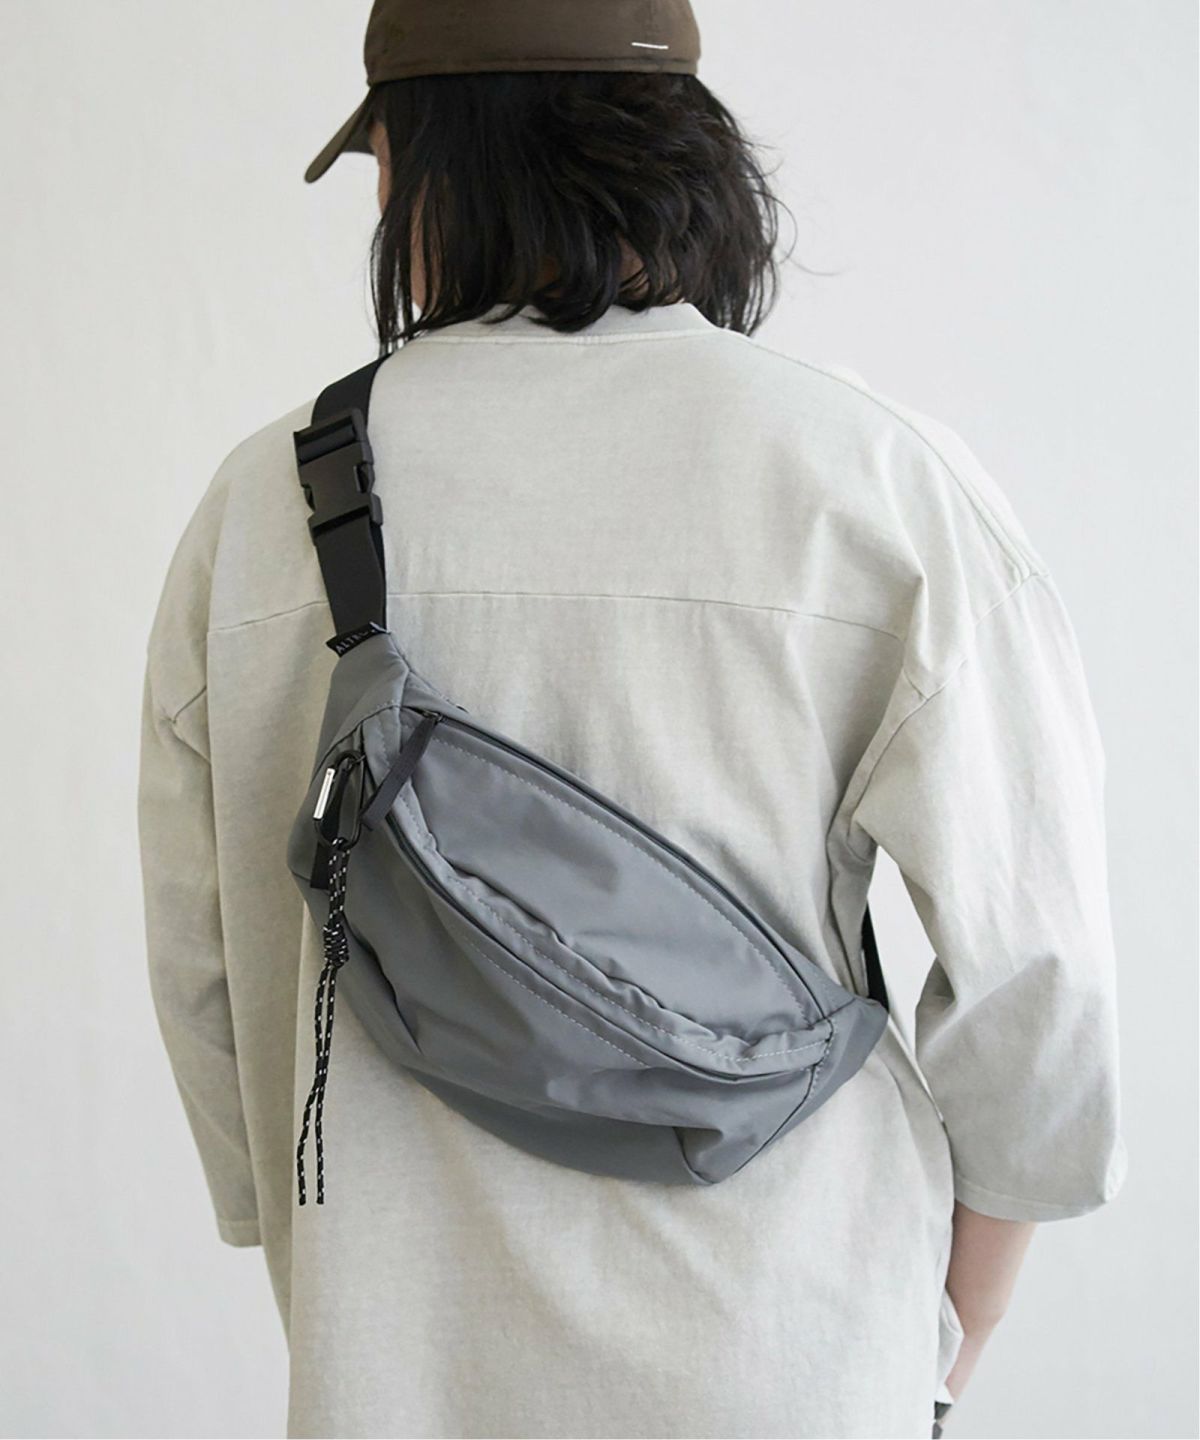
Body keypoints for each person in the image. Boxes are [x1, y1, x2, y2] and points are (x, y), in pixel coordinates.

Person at [136, 3, 1127, 1436]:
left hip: (398, 1372)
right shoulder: (873, 481)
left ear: (432, 163)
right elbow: (1041, 986)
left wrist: (311, 1243)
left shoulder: (260, 511)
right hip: (795, 1355)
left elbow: (210, 984)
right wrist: (943, 1345)